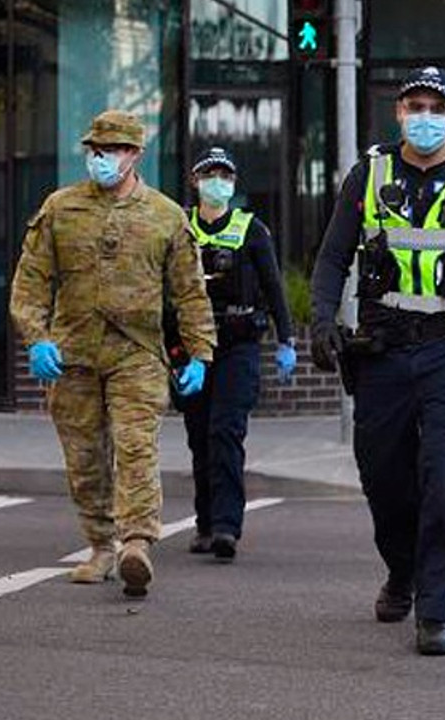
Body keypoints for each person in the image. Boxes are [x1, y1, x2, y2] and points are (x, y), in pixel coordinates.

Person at [308, 67, 445, 656]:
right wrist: (322, 319)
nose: (424, 115)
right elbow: (331, 258)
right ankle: (401, 571)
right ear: (399, 113)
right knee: (384, 478)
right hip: (383, 348)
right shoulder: (369, 174)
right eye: (414, 105)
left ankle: (436, 609)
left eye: (436, 106)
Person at [9, 109, 215, 599]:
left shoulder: (166, 215)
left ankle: (136, 542)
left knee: (135, 447)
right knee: (84, 458)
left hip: (137, 353)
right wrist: (36, 337)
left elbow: (189, 292)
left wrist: (200, 353)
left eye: (115, 150)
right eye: (97, 151)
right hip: (72, 352)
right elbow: (31, 282)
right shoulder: (61, 208)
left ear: (135, 154)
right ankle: (100, 544)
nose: (103, 159)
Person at [176, 147, 296, 562]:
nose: (218, 182)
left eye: (225, 175)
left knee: (226, 431)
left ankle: (227, 526)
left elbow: (274, 285)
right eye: (210, 174)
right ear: (195, 181)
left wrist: (286, 340)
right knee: (200, 436)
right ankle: (205, 522)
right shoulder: (181, 228)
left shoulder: (251, 230)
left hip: (238, 344)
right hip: (191, 347)